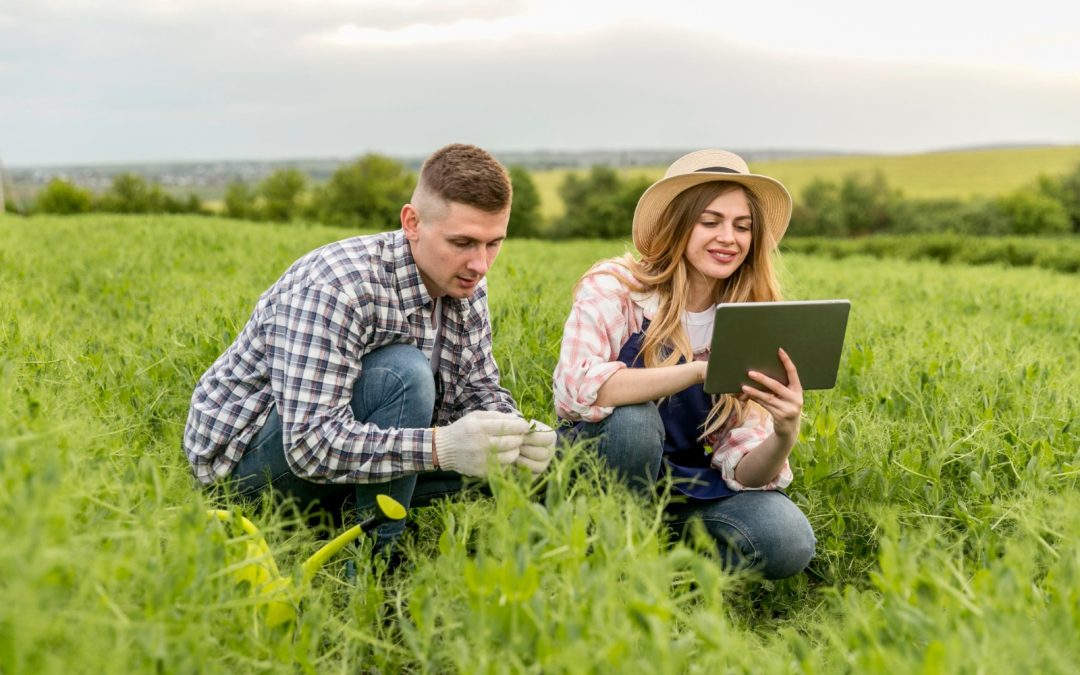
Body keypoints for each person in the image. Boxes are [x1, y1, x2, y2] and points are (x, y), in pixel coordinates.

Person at [184, 143, 557, 548]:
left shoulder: (465, 285)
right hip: (249, 475)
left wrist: (517, 433)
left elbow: (476, 389)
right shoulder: (337, 287)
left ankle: (356, 517)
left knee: (496, 453)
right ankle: (377, 561)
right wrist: (440, 448)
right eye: (462, 242)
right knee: (404, 374)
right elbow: (308, 446)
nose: (480, 264)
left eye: (493, 243)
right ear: (412, 223)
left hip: (345, 463)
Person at [553, 150, 815, 579]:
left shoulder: (748, 317)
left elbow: (746, 470)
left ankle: (665, 574)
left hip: (684, 486)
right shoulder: (619, 287)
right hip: (599, 471)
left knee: (787, 538)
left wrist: (784, 434)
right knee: (634, 422)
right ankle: (605, 550)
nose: (729, 238)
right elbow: (574, 389)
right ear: (678, 223)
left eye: (742, 226)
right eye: (710, 222)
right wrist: (696, 371)